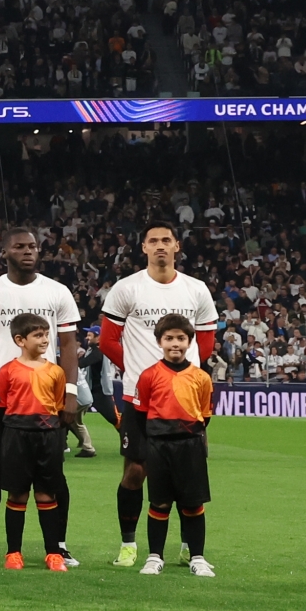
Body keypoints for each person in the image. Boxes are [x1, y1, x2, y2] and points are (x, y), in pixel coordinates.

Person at [98, 225, 219, 568]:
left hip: (185, 398)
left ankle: (188, 547)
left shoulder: (196, 289)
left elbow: (206, 343)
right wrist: (140, 371)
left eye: (166, 240)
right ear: (144, 247)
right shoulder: (127, 288)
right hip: (140, 397)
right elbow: (108, 341)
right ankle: (128, 544)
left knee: (189, 470)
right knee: (135, 471)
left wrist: (183, 375)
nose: (160, 246)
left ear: (177, 246)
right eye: (154, 241)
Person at [0, 228, 84, 564]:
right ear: (5, 252)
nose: (28, 251)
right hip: (0, 399)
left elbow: (70, 344)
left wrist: (71, 392)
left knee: (54, 476)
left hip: (45, 399)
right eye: (20, 246)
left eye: (32, 246)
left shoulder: (57, 291)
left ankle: (58, 545)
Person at [0, 312, 75, 570]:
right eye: (38, 335)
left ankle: (53, 553)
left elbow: (58, 408)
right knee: (18, 494)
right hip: (16, 436)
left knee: (47, 494)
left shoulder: (56, 372)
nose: (45, 339)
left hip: (47, 437)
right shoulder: (7, 371)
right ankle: (13, 553)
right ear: (20, 340)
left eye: (46, 334)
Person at [132, 312, 218, 577]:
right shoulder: (148, 376)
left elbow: (204, 415)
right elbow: (140, 414)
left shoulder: (201, 377)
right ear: (160, 342)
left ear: (190, 341)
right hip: (159, 447)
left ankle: (198, 557)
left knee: (193, 504)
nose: (175, 344)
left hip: (190, 446)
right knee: (159, 503)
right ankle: (155, 556)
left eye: (181, 338)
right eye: (169, 338)